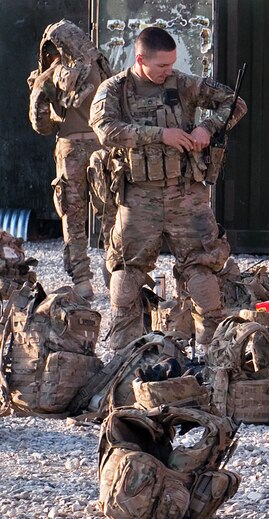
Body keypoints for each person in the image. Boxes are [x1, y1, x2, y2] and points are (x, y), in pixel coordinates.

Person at [89, 27, 246, 350]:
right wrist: (161, 135)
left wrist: (207, 127)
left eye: (171, 64)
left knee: (202, 267)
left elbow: (234, 102)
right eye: (161, 65)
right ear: (140, 59)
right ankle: (124, 353)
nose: (167, 71)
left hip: (186, 194)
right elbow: (105, 129)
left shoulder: (183, 83)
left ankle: (212, 352)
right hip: (138, 196)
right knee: (126, 269)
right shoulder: (114, 89)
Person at [28, 20, 115, 300]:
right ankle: (114, 271)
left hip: (70, 149)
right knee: (110, 212)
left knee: (73, 218)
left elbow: (40, 124)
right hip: (103, 148)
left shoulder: (50, 75)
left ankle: (82, 282)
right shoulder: (101, 66)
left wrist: (44, 96)